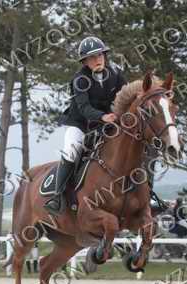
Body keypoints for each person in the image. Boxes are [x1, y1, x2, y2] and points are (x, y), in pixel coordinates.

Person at [46, 36, 128, 215]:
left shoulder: (115, 74)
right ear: (85, 61)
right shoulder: (80, 80)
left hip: (106, 124)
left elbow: (126, 95)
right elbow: (84, 108)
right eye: (92, 57)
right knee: (72, 150)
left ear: (104, 56)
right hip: (80, 124)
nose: (97, 60)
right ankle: (57, 196)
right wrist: (103, 116)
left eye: (100, 55)